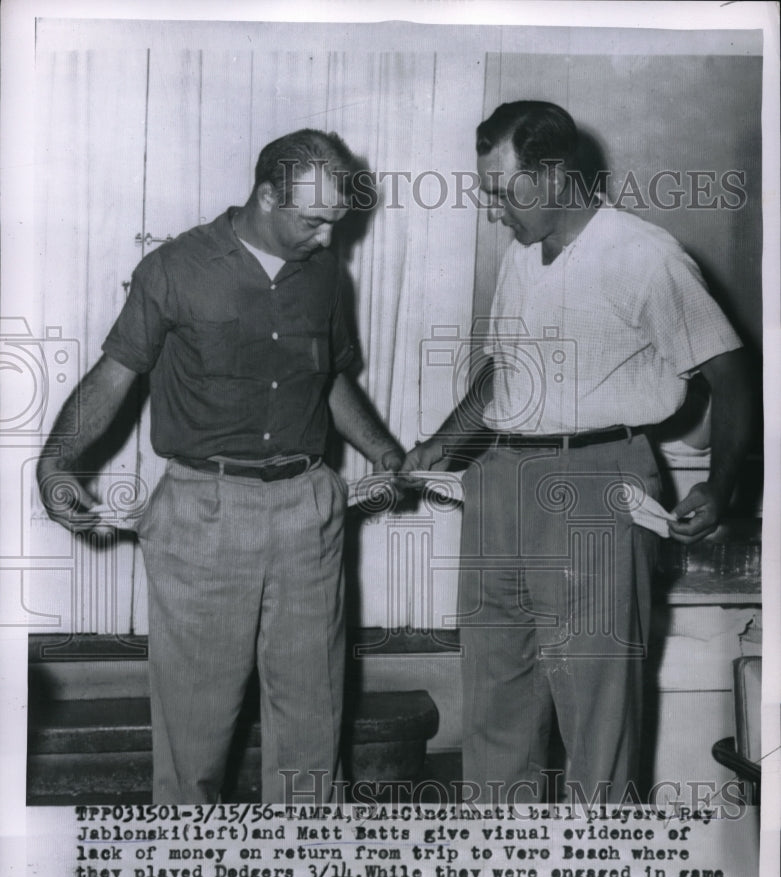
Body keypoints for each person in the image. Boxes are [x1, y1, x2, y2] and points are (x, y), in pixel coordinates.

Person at [37, 128, 404, 804]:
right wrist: (58, 459)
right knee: (195, 730)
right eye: (314, 221)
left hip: (306, 511)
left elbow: (329, 381)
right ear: (266, 195)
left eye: (336, 224)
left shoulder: (323, 274)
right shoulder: (175, 269)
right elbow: (116, 374)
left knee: (312, 724)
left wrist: (384, 451)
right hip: (202, 511)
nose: (328, 240)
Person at [401, 101, 753, 805]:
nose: (491, 205)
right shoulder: (519, 254)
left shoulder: (644, 256)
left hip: (595, 478)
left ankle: (598, 876)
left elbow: (732, 377)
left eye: (503, 189)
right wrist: (440, 445)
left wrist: (718, 488)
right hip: (498, 478)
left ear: (556, 176)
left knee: (594, 701)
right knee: (495, 697)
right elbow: (502, 370)